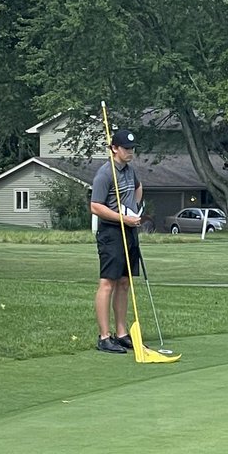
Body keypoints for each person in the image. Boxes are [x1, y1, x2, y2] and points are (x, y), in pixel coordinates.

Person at [90, 127, 143, 353]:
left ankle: (121, 333)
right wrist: (122, 217)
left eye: (132, 149)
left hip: (129, 230)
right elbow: (95, 206)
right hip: (111, 233)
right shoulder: (105, 173)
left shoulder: (129, 171)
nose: (130, 152)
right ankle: (104, 336)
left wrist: (134, 210)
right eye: (126, 148)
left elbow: (139, 188)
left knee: (124, 282)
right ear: (114, 148)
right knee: (108, 283)